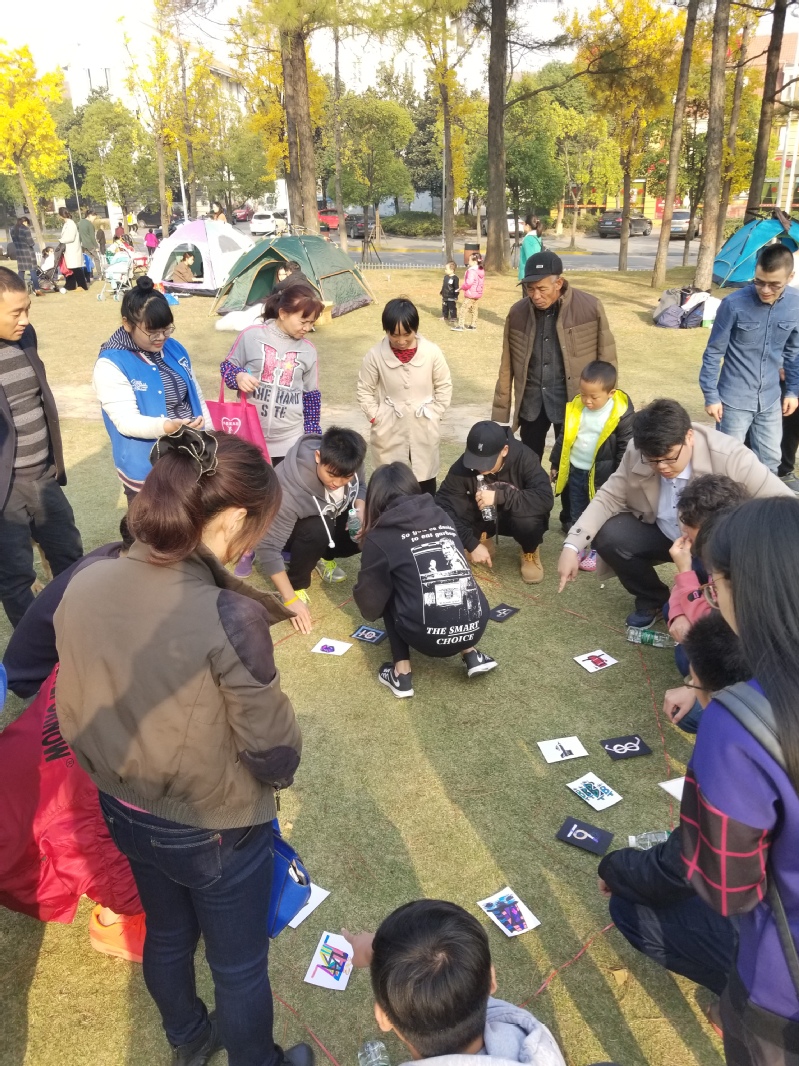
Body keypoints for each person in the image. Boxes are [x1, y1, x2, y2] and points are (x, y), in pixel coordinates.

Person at [53, 428, 311, 1066]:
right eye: (256, 525)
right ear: (232, 518)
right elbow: (274, 754)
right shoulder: (227, 614)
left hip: (123, 807)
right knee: (239, 966)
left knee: (168, 933)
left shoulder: (86, 579)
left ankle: (188, 1038)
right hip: (211, 826)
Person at [680, 496, 799, 1064]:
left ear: (743, 588)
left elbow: (726, 885)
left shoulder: (738, 723)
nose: (712, 598)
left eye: (714, 585)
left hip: (781, 989)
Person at [598, 612, 746, 1031]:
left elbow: (682, 867)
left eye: (694, 683)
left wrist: (614, 868)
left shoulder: (737, 755)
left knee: (627, 904)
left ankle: (745, 1007)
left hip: (783, 951)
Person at [556, 398, 792, 627]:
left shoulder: (730, 456)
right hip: (664, 534)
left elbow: (785, 506)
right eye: (653, 460)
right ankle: (653, 600)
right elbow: (609, 496)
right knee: (611, 535)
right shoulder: (637, 450)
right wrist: (572, 546)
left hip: (717, 544)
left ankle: (713, 605)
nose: (662, 467)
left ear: (689, 436)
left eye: (670, 458)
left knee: (705, 613)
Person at [343, 900, 567, 1066]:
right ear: (491, 980)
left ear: (383, 1018)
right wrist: (378, 951)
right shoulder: (532, 1041)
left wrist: (378, 951)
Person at [353, 463, 497, 697]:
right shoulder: (443, 516)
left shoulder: (380, 536)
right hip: (475, 624)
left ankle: (401, 674)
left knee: (388, 588)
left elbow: (369, 607)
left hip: (427, 637)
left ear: (375, 498)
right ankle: (472, 654)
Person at [0, 268, 83, 627]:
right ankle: (32, 652)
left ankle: (74, 630)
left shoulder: (26, 337)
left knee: (70, 556)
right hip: (5, 492)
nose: (25, 319)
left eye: (28, 309)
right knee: (16, 577)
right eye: (15, 313)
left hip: (43, 476)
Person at [492, 250, 617, 462]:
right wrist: (500, 418)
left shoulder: (590, 307)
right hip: (531, 405)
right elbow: (506, 367)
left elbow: (607, 360)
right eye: (530, 289)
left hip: (573, 403)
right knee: (526, 464)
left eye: (542, 289)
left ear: (558, 283)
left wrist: (606, 408)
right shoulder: (517, 313)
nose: (535, 296)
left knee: (572, 465)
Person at [93, 276, 211, 499]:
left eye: (166, 329)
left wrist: (210, 436)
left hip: (188, 459)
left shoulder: (175, 348)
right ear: (127, 323)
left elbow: (196, 395)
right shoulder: (111, 364)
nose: (161, 338)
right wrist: (167, 427)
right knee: (151, 520)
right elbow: (126, 421)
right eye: (152, 332)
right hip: (147, 470)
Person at [662, 474, 751, 733]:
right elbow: (682, 594)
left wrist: (696, 685)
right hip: (728, 635)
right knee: (675, 615)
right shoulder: (716, 547)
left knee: (690, 714)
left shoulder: (743, 566)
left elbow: (717, 622)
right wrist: (678, 614)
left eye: (689, 529)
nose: (683, 534)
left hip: (752, 660)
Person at [700, 244, 799, 475]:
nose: (765, 290)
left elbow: (793, 352)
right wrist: (711, 396)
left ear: (790, 277)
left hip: (771, 399)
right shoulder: (733, 304)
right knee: (728, 464)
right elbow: (713, 352)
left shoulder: (796, 304)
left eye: (774, 285)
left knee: (770, 463)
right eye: (759, 281)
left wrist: (792, 391)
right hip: (733, 400)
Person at [255, 427, 366, 630]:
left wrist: (361, 510)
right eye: (331, 474)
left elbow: (362, 486)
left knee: (367, 523)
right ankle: (296, 582)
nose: (337, 483)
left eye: (346, 477)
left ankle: (324, 557)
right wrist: (290, 599)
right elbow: (268, 547)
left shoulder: (350, 460)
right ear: (318, 457)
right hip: (292, 532)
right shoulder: (289, 489)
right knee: (318, 529)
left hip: (330, 515)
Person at [436, 420, 553, 584]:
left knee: (529, 519)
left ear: (504, 450)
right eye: (475, 461)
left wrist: (499, 497)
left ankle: (529, 550)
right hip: (483, 518)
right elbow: (442, 504)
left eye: (487, 462)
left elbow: (544, 498)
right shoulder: (463, 465)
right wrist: (470, 542)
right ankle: (481, 538)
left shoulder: (525, 457)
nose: (480, 467)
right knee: (455, 504)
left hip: (516, 518)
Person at [357, 297, 452, 497]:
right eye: (394, 335)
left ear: (415, 328)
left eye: (407, 334)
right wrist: (375, 416)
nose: (401, 341)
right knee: (390, 482)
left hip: (424, 423)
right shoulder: (375, 355)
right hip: (389, 425)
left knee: (425, 480)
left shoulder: (432, 352)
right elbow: (364, 390)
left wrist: (436, 413)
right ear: (386, 330)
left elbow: (444, 385)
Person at [549, 360, 633, 571]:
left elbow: (625, 448)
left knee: (600, 513)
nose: (587, 400)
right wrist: (556, 462)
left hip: (603, 475)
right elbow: (564, 437)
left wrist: (619, 477)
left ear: (611, 393)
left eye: (594, 397)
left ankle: (598, 551)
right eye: (583, 394)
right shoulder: (577, 407)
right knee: (577, 510)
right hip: (576, 470)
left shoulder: (620, 414)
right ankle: (578, 547)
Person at [57, 208, 88, 291]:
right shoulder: (67, 224)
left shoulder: (71, 224)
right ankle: (71, 285)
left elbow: (71, 237)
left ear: (61, 215)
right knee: (70, 268)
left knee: (76, 268)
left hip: (73, 249)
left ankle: (82, 286)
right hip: (69, 249)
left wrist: (61, 240)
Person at [454, 252, 485, 332]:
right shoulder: (480, 270)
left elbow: (469, 283)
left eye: (469, 260)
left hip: (471, 294)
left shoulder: (471, 271)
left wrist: (462, 288)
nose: (468, 261)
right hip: (477, 293)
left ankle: (460, 326)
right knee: (474, 310)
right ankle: (473, 325)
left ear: (474, 262)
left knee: (463, 309)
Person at [10, 216, 41, 296]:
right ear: (25, 222)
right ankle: (37, 289)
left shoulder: (12, 229)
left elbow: (14, 241)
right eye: (27, 223)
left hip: (19, 253)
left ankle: (20, 289)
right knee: (33, 270)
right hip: (28, 253)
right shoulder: (25, 229)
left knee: (21, 271)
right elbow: (31, 243)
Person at [518, 214, 543, 281]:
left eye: (524, 224)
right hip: (535, 274)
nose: (523, 226)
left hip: (528, 274)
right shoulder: (537, 237)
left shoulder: (528, 239)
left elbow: (530, 259)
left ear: (528, 226)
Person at [77, 210, 100, 279]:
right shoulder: (90, 224)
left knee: (88, 260)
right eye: (94, 218)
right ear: (89, 216)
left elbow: (79, 235)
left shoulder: (80, 223)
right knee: (97, 259)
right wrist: (96, 246)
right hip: (91, 245)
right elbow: (92, 237)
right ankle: (100, 275)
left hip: (83, 245)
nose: (94, 220)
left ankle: (90, 275)